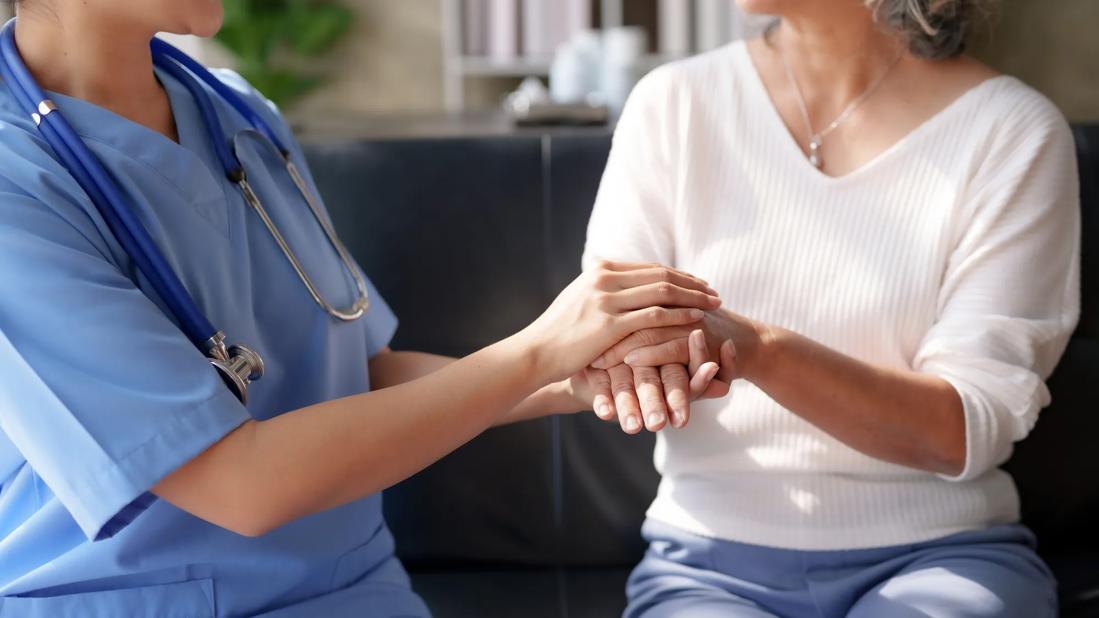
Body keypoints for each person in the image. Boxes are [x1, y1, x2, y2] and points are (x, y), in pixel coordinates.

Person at [0, 1, 733, 615]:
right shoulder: (14, 182)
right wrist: (540, 349)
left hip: (357, 593)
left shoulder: (238, 115)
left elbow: (361, 375)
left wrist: (573, 380)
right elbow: (240, 484)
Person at [580, 0, 1081, 616]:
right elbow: (608, 339)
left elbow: (959, 431)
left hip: (940, 557)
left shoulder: (1012, 131)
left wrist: (758, 350)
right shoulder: (673, 105)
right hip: (708, 570)